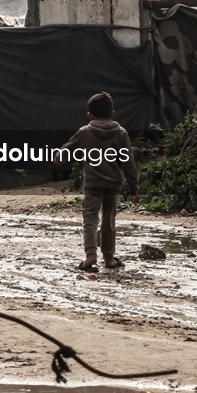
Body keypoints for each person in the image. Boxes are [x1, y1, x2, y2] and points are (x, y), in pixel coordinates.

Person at [60, 91, 140, 272]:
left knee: (90, 219)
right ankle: (109, 258)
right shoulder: (121, 133)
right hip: (114, 184)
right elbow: (128, 162)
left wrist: (58, 156)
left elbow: (63, 154)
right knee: (109, 220)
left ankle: (90, 255)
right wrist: (133, 186)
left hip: (93, 184)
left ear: (90, 115)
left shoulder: (85, 132)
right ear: (112, 114)